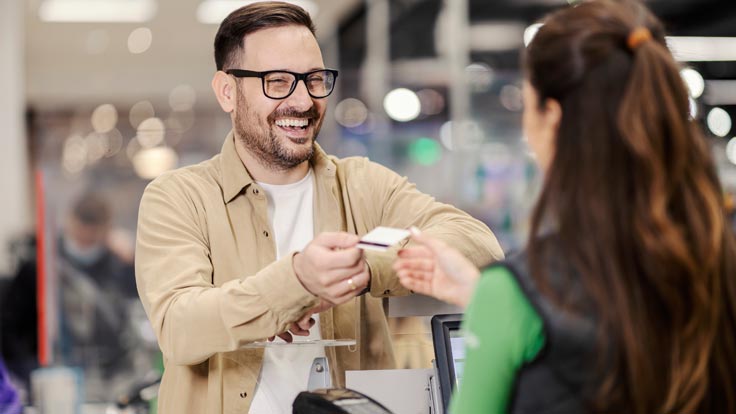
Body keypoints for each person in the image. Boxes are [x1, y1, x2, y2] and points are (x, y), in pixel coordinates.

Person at [133, 2, 503, 413]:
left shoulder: (363, 184)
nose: (303, 100)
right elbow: (179, 326)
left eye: (313, 79)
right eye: (277, 81)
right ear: (227, 91)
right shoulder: (179, 197)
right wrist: (295, 283)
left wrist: (368, 268)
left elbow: (477, 244)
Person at [394, 1, 736, 413]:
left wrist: (501, 303)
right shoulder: (716, 259)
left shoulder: (516, 295)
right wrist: (485, 297)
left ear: (552, 118)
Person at [1, 192, 138, 401]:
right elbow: (11, 328)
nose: (86, 242)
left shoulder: (116, 267)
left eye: (92, 237)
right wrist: (30, 374)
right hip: (50, 377)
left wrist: (133, 261)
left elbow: (129, 321)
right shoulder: (39, 266)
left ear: (106, 230)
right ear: (69, 222)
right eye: (81, 235)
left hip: (108, 381)